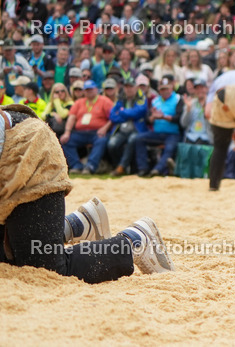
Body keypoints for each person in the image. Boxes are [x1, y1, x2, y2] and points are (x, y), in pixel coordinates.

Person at [0, 104, 173, 282]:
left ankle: (134, 241)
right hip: (10, 151)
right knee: (9, 257)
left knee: (44, 270)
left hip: (27, 149)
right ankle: (76, 225)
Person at [60, 80, 114, 174]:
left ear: (96, 89)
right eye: (87, 90)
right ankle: (76, 165)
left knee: (101, 140)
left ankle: (90, 166)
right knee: (65, 140)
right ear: (84, 91)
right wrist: (67, 132)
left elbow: (113, 117)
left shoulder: (104, 101)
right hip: (81, 132)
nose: (89, 92)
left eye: (91, 89)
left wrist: (105, 128)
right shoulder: (79, 102)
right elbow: (71, 117)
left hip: (97, 132)